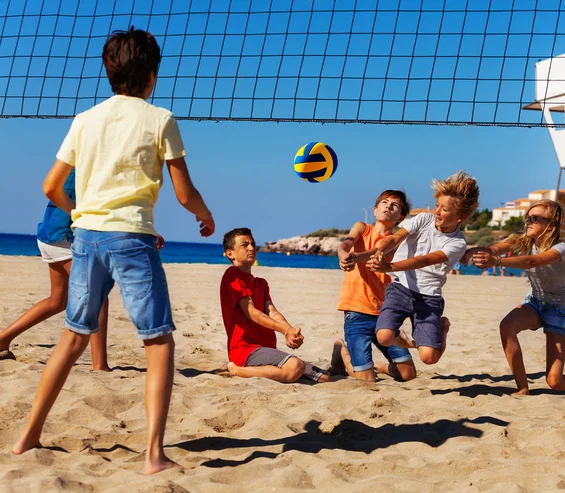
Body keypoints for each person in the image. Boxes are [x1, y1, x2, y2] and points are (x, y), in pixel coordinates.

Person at [12, 27, 215, 475]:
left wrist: (81, 210)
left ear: (108, 72)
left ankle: (26, 437)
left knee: (72, 336)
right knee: (158, 340)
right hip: (131, 238)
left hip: (85, 237)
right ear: (153, 76)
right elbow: (184, 193)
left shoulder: (85, 120)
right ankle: (153, 456)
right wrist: (206, 216)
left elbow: (50, 185)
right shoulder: (160, 120)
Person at [464, 199, 565, 396]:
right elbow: (494, 249)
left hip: (559, 309)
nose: (528, 221)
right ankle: (522, 388)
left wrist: (497, 261)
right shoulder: (523, 240)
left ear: (551, 225)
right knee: (507, 326)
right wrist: (473, 252)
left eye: (535, 218)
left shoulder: (560, 248)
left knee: (555, 381)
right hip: (535, 302)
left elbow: (532, 261)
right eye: (527, 217)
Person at [366, 171, 480, 366]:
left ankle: (442, 328)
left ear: (458, 217)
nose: (437, 211)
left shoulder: (457, 243)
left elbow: (425, 260)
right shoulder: (423, 219)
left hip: (429, 298)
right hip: (401, 288)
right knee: (384, 337)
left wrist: (388, 266)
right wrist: (381, 251)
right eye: (437, 206)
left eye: (444, 209)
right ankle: (408, 340)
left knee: (428, 358)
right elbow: (395, 238)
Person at [0, 170, 110, 371]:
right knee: (98, 295)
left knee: (58, 300)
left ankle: (2, 340)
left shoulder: (79, 157)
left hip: (50, 233)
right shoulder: (93, 160)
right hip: (63, 236)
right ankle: (100, 366)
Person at [221, 228, 330, 384]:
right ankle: (238, 370)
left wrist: (290, 331)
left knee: (324, 377)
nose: (251, 248)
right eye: (245, 245)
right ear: (230, 253)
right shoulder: (232, 275)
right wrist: (284, 330)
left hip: (266, 349)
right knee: (295, 366)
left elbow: (272, 312)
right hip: (245, 350)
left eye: (253, 243)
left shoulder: (261, 283)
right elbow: (252, 313)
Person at [333, 190, 416, 382]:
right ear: (375, 209)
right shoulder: (362, 227)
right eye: (384, 203)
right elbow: (346, 243)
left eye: (394, 205)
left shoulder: (398, 243)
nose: (388, 206)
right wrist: (343, 254)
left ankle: (378, 365)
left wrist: (355, 257)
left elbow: (376, 252)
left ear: (400, 217)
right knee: (366, 380)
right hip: (356, 312)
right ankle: (342, 350)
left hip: (384, 315)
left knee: (408, 374)